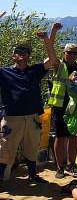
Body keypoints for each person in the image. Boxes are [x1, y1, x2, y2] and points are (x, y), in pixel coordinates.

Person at [0, 22, 60, 185]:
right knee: (6, 149)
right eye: (18, 51)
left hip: (33, 117)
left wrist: (50, 35)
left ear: (29, 56)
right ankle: (2, 177)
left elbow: (52, 58)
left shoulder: (35, 71)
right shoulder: (3, 72)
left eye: (24, 52)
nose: (21, 54)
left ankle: (33, 175)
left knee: (32, 148)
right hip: (12, 118)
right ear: (13, 55)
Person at [48, 42, 77, 179]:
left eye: (75, 53)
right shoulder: (59, 65)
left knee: (73, 136)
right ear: (64, 53)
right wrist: (49, 36)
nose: (72, 55)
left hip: (76, 106)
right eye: (69, 52)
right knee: (60, 137)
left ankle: (71, 165)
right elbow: (50, 54)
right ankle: (60, 167)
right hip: (60, 105)